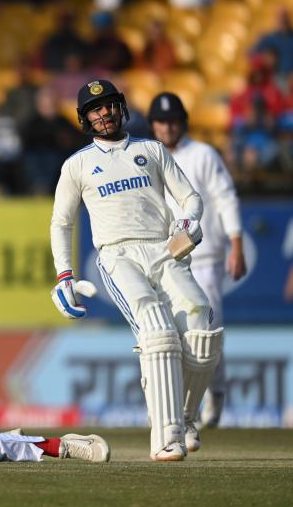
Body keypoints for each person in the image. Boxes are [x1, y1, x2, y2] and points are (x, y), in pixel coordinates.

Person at [50, 79, 222, 461]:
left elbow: (190, 197)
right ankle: (167, 439)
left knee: (201, 328)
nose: (104, 114)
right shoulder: (77, 164)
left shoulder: (151, 149)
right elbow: (61, 223)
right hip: (117, 255)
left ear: (121, 108)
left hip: (164, 248)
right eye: (96, 109)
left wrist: (188, 222)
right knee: (157, 331)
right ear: (85, 118)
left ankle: (186, 417)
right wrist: (64, 275)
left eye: (109, 106)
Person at [148, 92, 246, 428]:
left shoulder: (202, 155)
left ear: (183, 122)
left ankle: (214, 392)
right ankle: (179, 407)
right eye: (161, 121)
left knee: (205, 330)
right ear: (153, 125)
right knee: (170, 334)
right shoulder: (148, 156)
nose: (167, 127)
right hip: (166, 257)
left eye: (173, 120)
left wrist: (236, 243)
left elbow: (224, 197)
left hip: (204, 257)